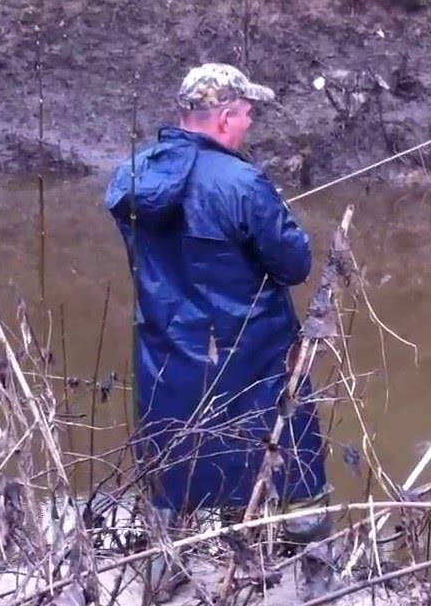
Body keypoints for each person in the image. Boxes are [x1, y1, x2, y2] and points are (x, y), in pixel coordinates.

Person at [103, 64, 328, 548]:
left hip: (166, 362)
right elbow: (295, 263)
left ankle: (168, 569)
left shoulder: (133, 175)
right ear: (225, 118)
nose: (250, 123)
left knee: (175, 473)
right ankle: (306, 568)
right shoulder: (242, 183)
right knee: (291, 471)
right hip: (253, 361)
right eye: (247, 114)